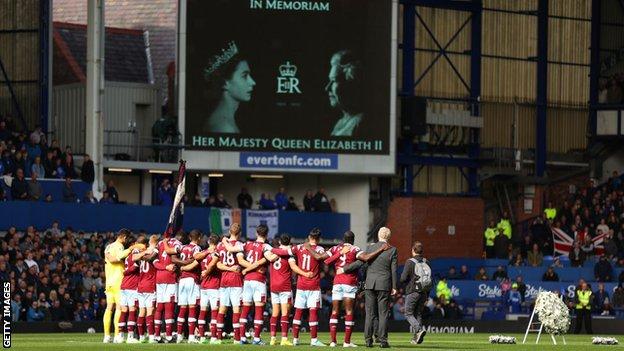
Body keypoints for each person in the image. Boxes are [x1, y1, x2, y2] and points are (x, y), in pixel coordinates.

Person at [324, 231, 388, 347]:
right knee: (349, 311)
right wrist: (380, 249)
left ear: (343, 239)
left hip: (337, 282)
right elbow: (366, 257)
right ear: (353, 240)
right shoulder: (355, 249)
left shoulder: (335, 248)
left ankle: (333, 342)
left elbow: (326, 261)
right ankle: (346, 342)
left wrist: (339, 254)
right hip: (349, 282)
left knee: (334, 311)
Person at [270, 228, 328, 346]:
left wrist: (271, 249)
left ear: (308, 237)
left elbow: (284, 253)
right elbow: (323, 259)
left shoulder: (299, 247)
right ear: (319, 239)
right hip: (313, 285)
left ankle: (295, 339)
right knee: (313, 311)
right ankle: (314, 340)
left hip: (301, 284)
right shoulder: (320, 249)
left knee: (298, 311)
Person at [342, 227, 397, 348]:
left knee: (370, 313)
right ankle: (383, 340)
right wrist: (394, 286)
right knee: (383, 313)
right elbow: (393, 270)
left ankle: (368, 340)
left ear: (378, 235)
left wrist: (345, 268)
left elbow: (362, 263)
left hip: (370, 284)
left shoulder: (370, 247)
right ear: (389, 236)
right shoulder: (392, 250)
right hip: (384, 284)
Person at [203, 41, 256, 134]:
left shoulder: (226, 120)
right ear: (225, 83)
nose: (253, 82)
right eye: (244, 76)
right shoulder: (224, 128)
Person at [265, 234, 305, 346]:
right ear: (290, 242)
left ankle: (273, 338)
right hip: (285, 286)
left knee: (275, 312)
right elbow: (293, 268)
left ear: (279, 242)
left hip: (274, 286)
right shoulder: (289, 255)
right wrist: (304, 273)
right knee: (285, 313)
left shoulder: (273, 253)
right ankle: (284, 339)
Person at [102, 229, 136, 343]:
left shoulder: (108, 247)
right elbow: (115, 259)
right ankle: (117, 335)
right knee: (119, 308)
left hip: (109, 282)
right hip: (118, 281)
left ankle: (107, 336)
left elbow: (110, 258)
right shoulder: (120, 247)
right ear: (124, 237)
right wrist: (130, 249)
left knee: (109, 308)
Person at [214, 223, 245, 344]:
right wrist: (232, 269)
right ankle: (237, 339)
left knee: (222, 309)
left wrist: (227, 268)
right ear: (240, 233)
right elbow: (241, 261)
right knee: (237, 310)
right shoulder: (240, 245)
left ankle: (218, 338)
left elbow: (217, 264)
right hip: (236, 280)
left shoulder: (220, 245)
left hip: (224, 281)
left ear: (229, 231)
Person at [326, 50, 364, 137]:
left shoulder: (360, 123)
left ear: (351, 85)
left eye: (334, 80)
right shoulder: (341, 122)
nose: (327, 88)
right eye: (330, 80)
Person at [174, 230, 203, 344]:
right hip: (192, 279)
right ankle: (191, 337)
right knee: (192, 308)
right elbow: (196, 261)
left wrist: (182, 268)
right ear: (199, 238)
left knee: (182, 309)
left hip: (182, 280)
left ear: (190, 237)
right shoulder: (197, 248)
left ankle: (179, 336)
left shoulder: (183, 248)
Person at [400, 241, 431, 345]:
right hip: (424, 292)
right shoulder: (427, 262)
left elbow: (403, 278)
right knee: (418, 314)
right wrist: (427, 295)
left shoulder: (410, 262)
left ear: (413, 250)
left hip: (412, 291)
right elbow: (429, 279)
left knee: (408, 313)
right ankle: (416, 339)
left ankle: (418, 330)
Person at [118, 235, 146, 343]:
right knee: (132, 310)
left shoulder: (127, 254)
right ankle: (130, 336)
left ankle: (120, 336)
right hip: (132, 286)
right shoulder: (135, 252)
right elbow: (134, 267)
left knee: (124, 311)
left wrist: (125, 272)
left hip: (124, 285)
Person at [195, 234, 221, 344]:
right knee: (214, 311)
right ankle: (214, 337)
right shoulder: (216, 253)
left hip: (203, 287)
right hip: (213, 286)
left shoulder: (203, 253)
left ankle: (201, 337)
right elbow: (212, 264)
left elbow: (196, 257)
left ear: (209, 242)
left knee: (203, 311)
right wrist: (207, 271)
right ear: (218, 243)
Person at [136, 235, 159, 343]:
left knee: (141, 311)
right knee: (150, 311)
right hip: (150, 285)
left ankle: (141, 337)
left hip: (140, 285)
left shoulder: (142, 253)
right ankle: (151, 337)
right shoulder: (155, 251)